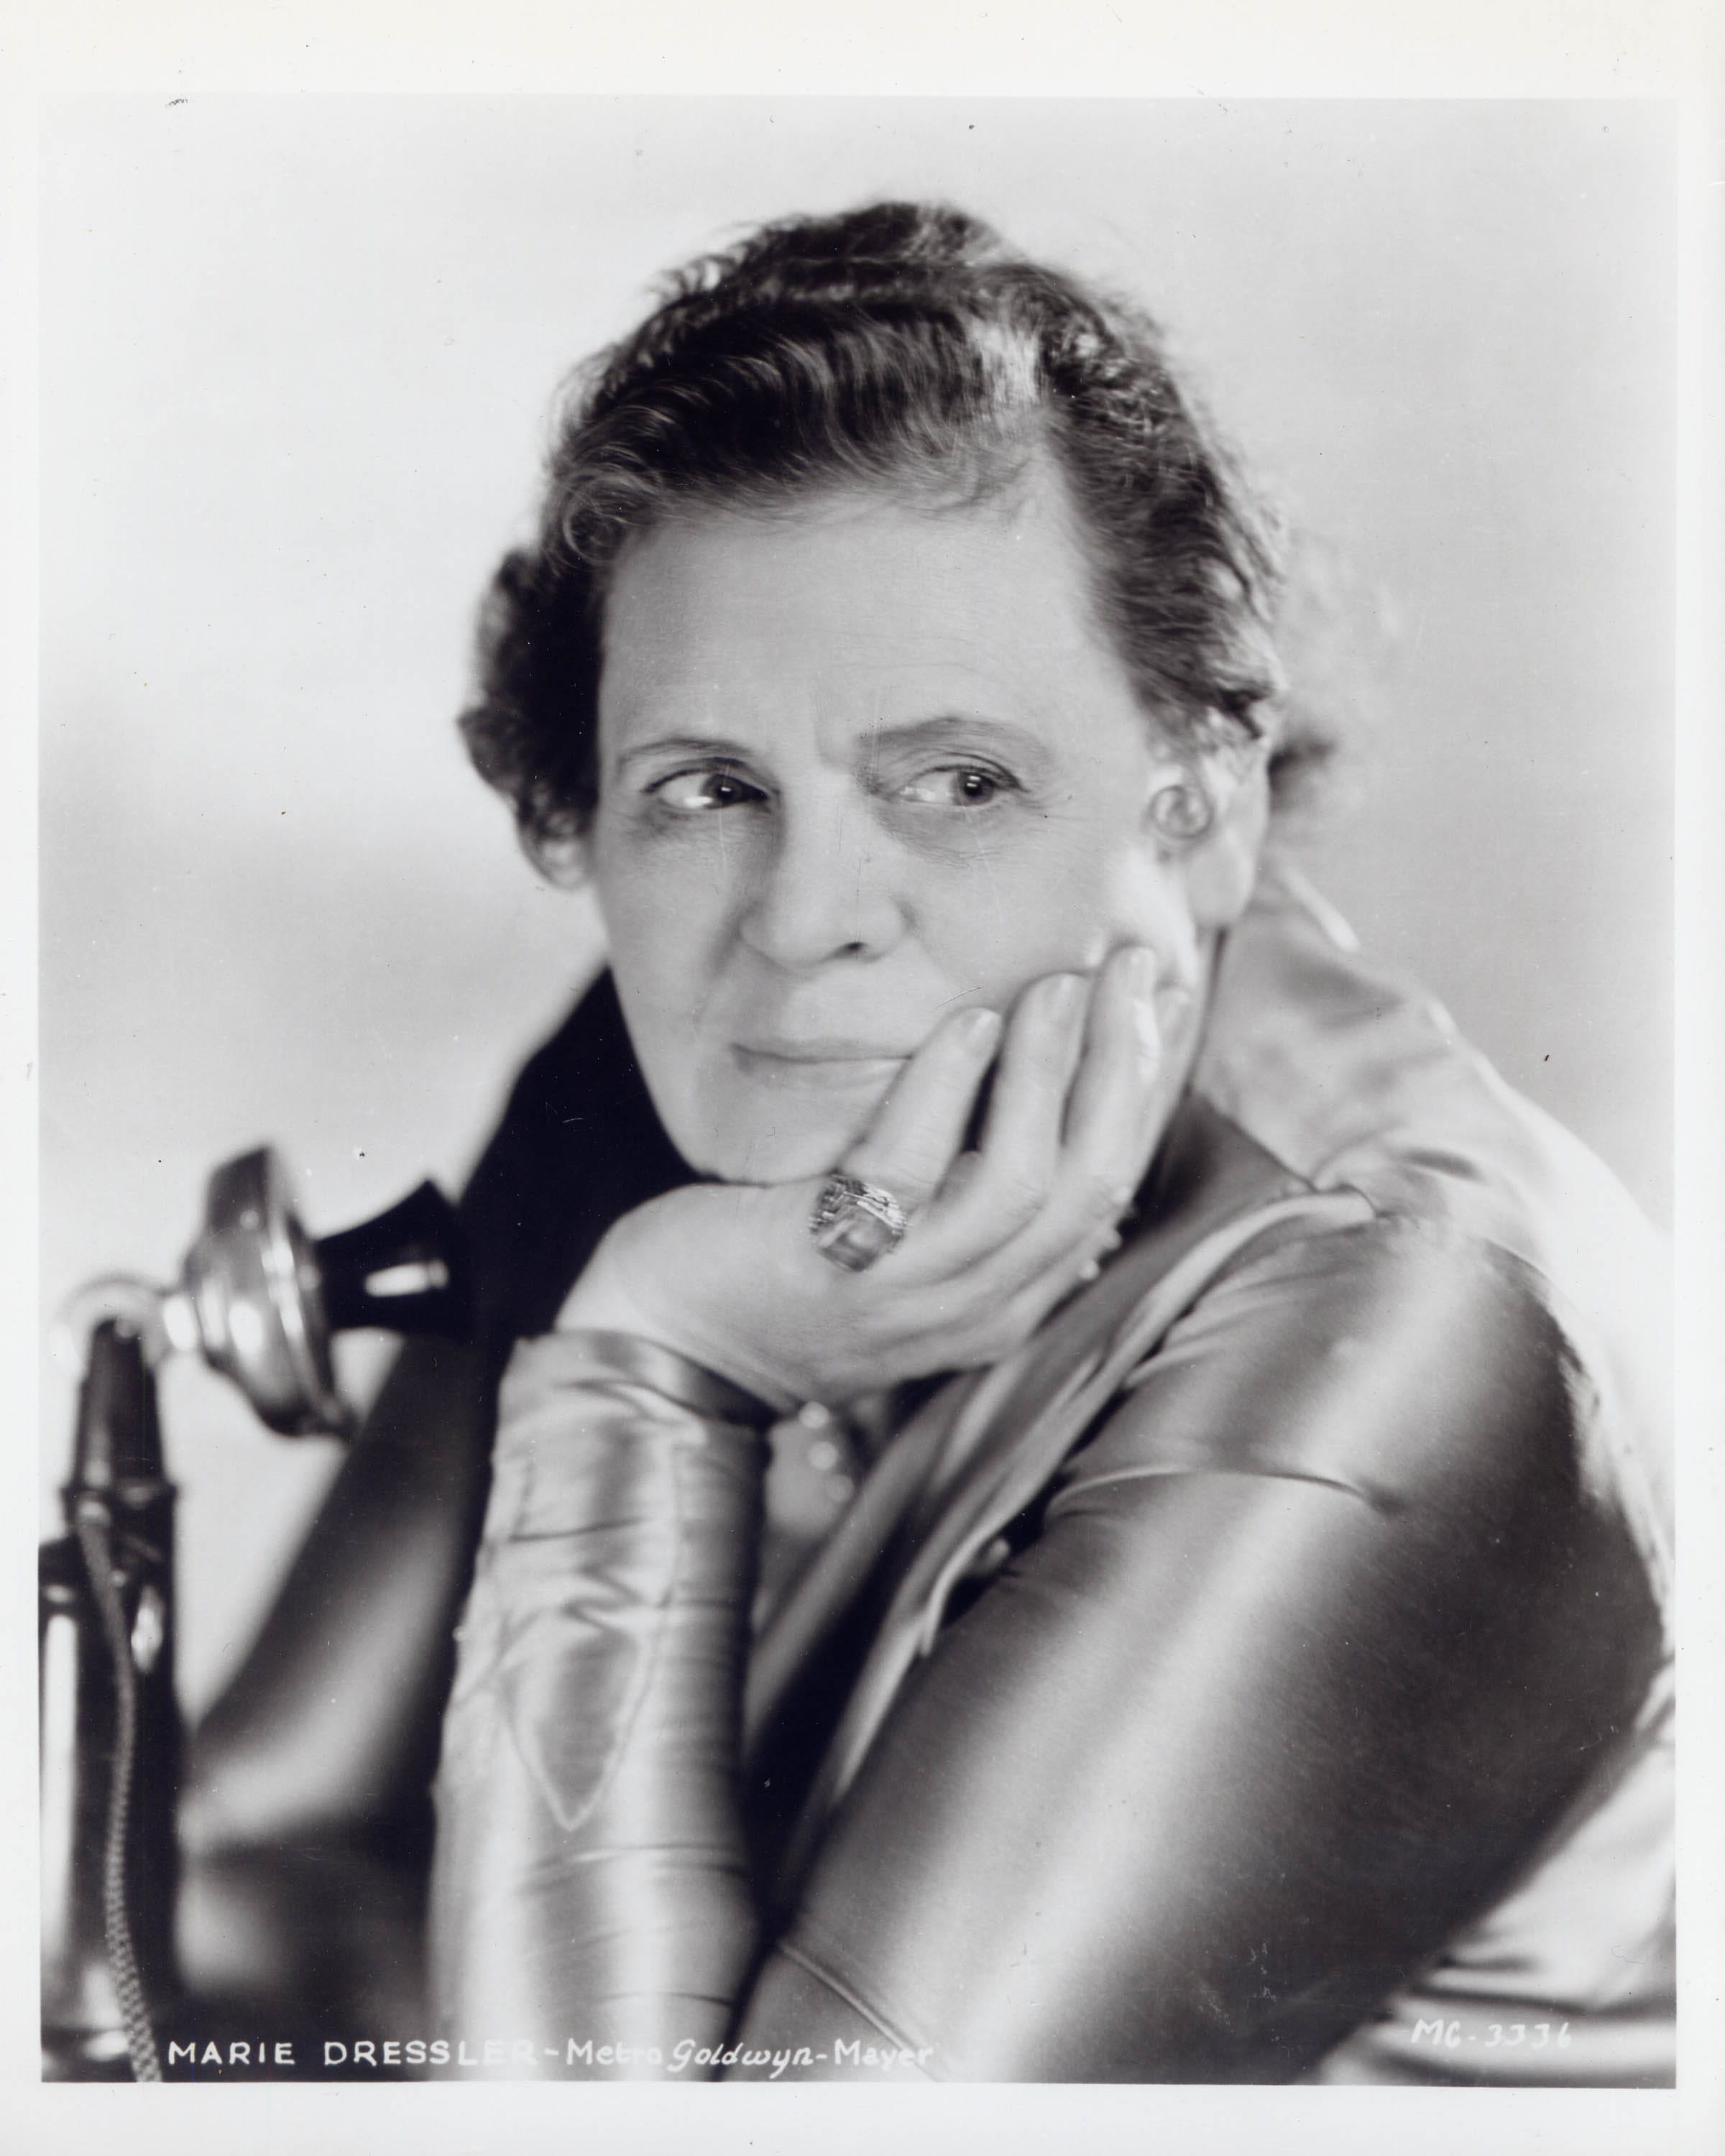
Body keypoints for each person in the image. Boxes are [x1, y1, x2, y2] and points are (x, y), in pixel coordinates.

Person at [181, 202, 1673, 2085]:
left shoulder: (1419, 1316)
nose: (806, 918)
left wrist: (650, 1359)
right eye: (707, 788)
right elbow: (235, 1873)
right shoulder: (700, 1059)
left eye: (960, 781)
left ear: (1201, 810)